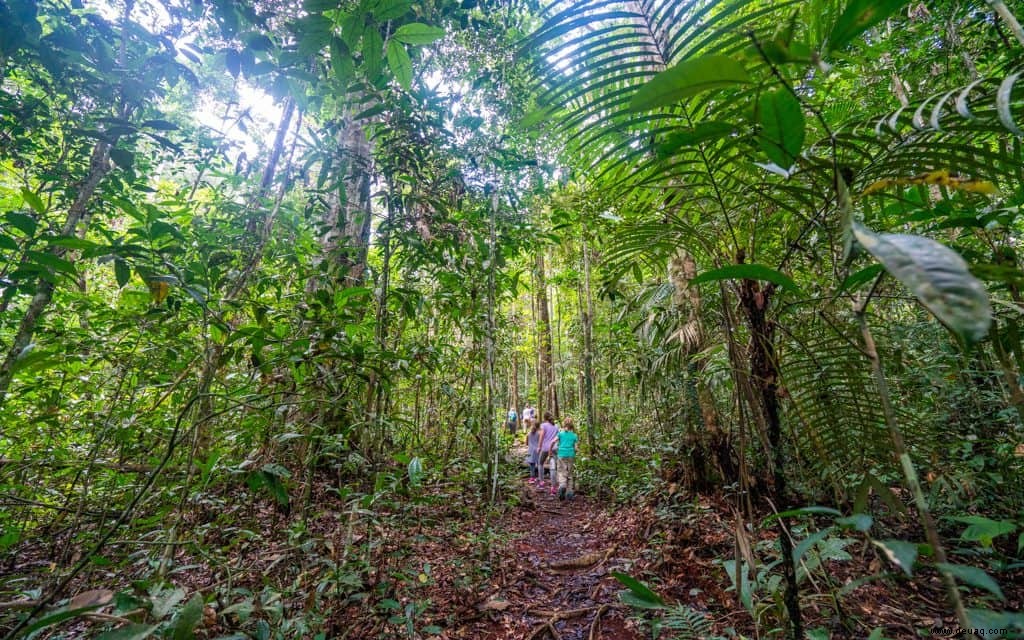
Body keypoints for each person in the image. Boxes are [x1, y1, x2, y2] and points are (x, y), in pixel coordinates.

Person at [555, 417, 578, 500]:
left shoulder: (560, 433)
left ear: (564, 424)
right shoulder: (574, 435)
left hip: (561, 454)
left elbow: (554, 442)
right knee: (570, 473)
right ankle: (570, 493)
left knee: (561, 471)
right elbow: (576, 448)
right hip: (570, 455)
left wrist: (551, 451)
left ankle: (562, 485)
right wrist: (575, 453)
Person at [537, 412, 558, 489]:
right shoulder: (556, 426)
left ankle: (541, 481)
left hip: (545, 448)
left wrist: (539, 447)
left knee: (540, 463)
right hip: (554, 448)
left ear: (544, 418)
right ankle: (553, 486)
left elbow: (541, 436)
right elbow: (557, 438)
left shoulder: (544, 425)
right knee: (553, 467)